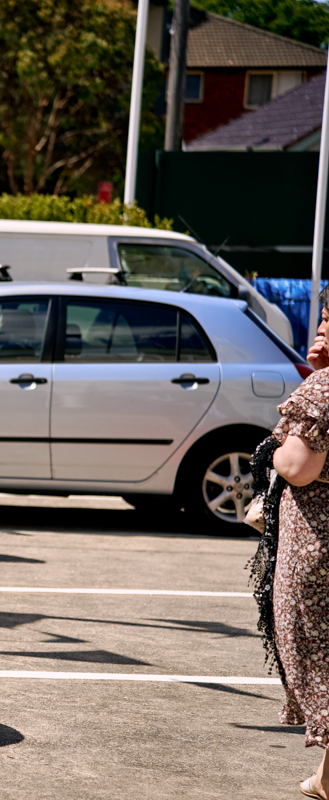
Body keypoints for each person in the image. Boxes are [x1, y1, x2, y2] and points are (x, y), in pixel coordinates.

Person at [269, 297, 329, 799]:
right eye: (324, 321)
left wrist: (276, 450)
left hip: (316, 551)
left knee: (315, 655)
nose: (321, 333)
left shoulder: (325, 389)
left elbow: (298, 468)